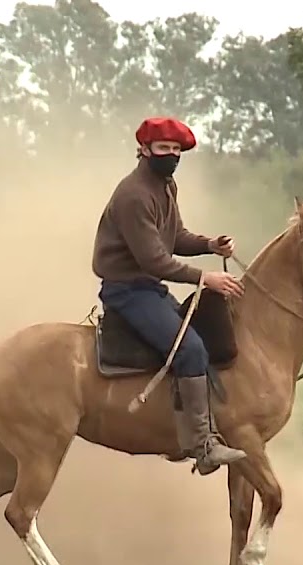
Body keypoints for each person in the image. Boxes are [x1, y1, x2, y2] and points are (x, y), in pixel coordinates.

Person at [91, 116, 248, 475]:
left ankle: (188, 428)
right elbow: (154, 259)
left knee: (202, 339)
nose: (172, 155)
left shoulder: (165, 186)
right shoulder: (133, 195)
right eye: (165, 149)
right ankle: (202, 446)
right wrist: (204, 278)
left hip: (148, 289)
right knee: (190, 348)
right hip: (128, 292)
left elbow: (174, 237)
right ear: (144, 150)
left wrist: (210, 244)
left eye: (178, 150)